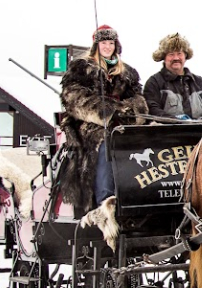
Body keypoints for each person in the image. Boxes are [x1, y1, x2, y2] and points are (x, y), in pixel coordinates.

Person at [59, 25, 148, 212]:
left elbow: (138, 97)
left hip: (123, 122)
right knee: (106, 142)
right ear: (95, 45)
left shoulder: (127, 72)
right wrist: (106, 111)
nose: (107, 47)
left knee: (143, 139)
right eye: (103, 43)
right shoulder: (80, 68)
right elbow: (73, 97)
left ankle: (141, 192)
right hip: (87, 125)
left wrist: (129, 112)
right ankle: (105, 199)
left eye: (111, 43)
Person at [143, 33, 202, 120]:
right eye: (171, 54)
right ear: (163, 57)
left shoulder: (199, 82)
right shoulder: (154, 82)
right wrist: (176, 121)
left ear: (185, 56)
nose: (176, 58)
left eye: (179, 53)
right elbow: (152, 110)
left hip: (201, 132)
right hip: (166, 133)